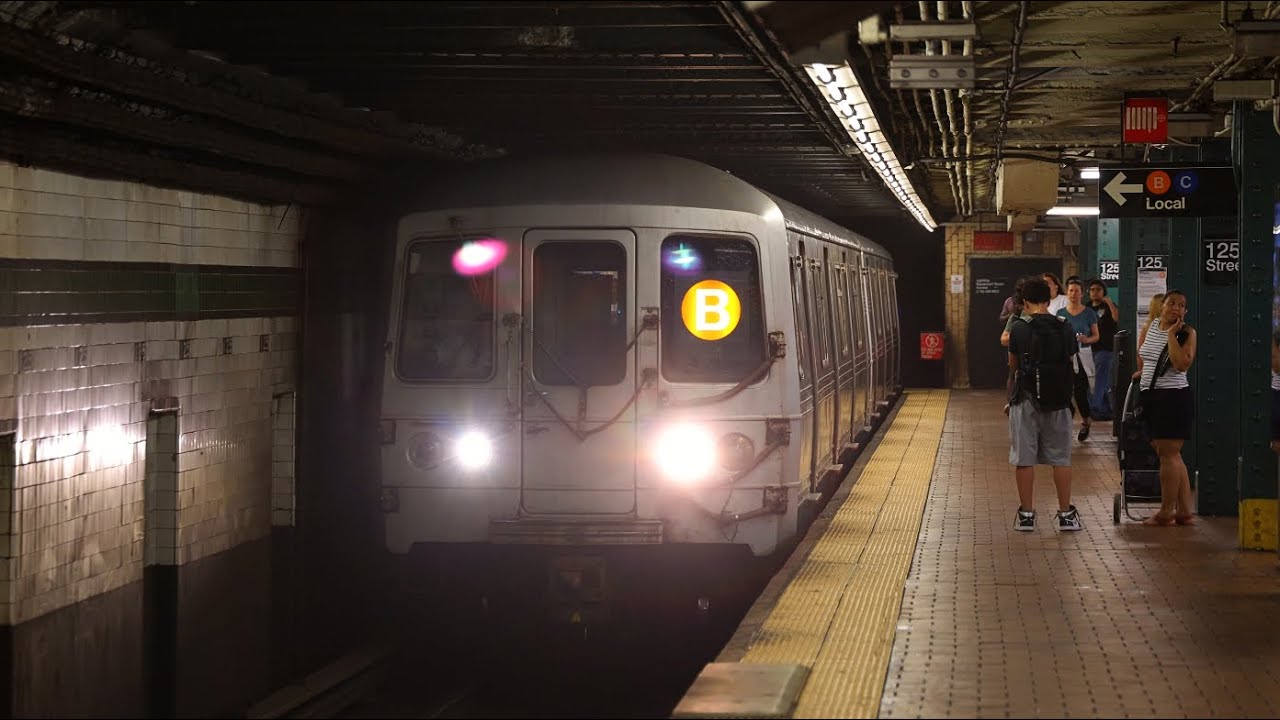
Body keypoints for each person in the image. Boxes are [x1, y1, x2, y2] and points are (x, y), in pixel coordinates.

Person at [1006, 276, 1083, 532]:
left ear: (1024, 301)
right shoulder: (1065, 326)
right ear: (1049, 300)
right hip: (1059, 401)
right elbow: (1072, 360)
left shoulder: (1018, 328)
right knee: (1061, 459)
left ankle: (1027, 515)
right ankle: (1066, 515)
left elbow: (1013, 366)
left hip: (1026, 399)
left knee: (1024, 458)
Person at [1132, 290, 1197, 526]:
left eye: (1181, 306)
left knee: (1168, 455)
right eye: (1172, 304)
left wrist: (1172, 335)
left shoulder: (1186, 333)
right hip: (1151, 396)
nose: (1176, 309)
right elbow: (1145, 357)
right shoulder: (1151, 327)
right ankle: (1184, 511)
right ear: (1162, 306)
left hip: (1173, 397)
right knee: (1171, 454)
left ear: (1185, 312)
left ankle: (1166, 511)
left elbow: (1181, 364)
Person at [1056, 278, 1099, 441]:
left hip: (1082, 357)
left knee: (1080, 392)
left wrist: (1087, 340)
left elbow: (1096, 336)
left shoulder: (1089, 313)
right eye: (1071, 290)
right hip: (1065, 358)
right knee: (1064, 392)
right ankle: (1065, 424)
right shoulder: (1060, 314)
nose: (1074, 294)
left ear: (1082, 293)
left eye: (1077, 290)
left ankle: (1086, 420)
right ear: (1067, 293)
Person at [1087, 279, 1119, 421]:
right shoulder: (1087, 308)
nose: (1095, 292)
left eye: (1098, 289)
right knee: (1101, 380)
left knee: (1100, 378)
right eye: (1092, 289)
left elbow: (1116, 318)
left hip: (1106, 348)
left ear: (1103, 292)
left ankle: (1094, 407)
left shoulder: (1108, 306)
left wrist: (1110, 303)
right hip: (1089, 348)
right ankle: (1107, 410)